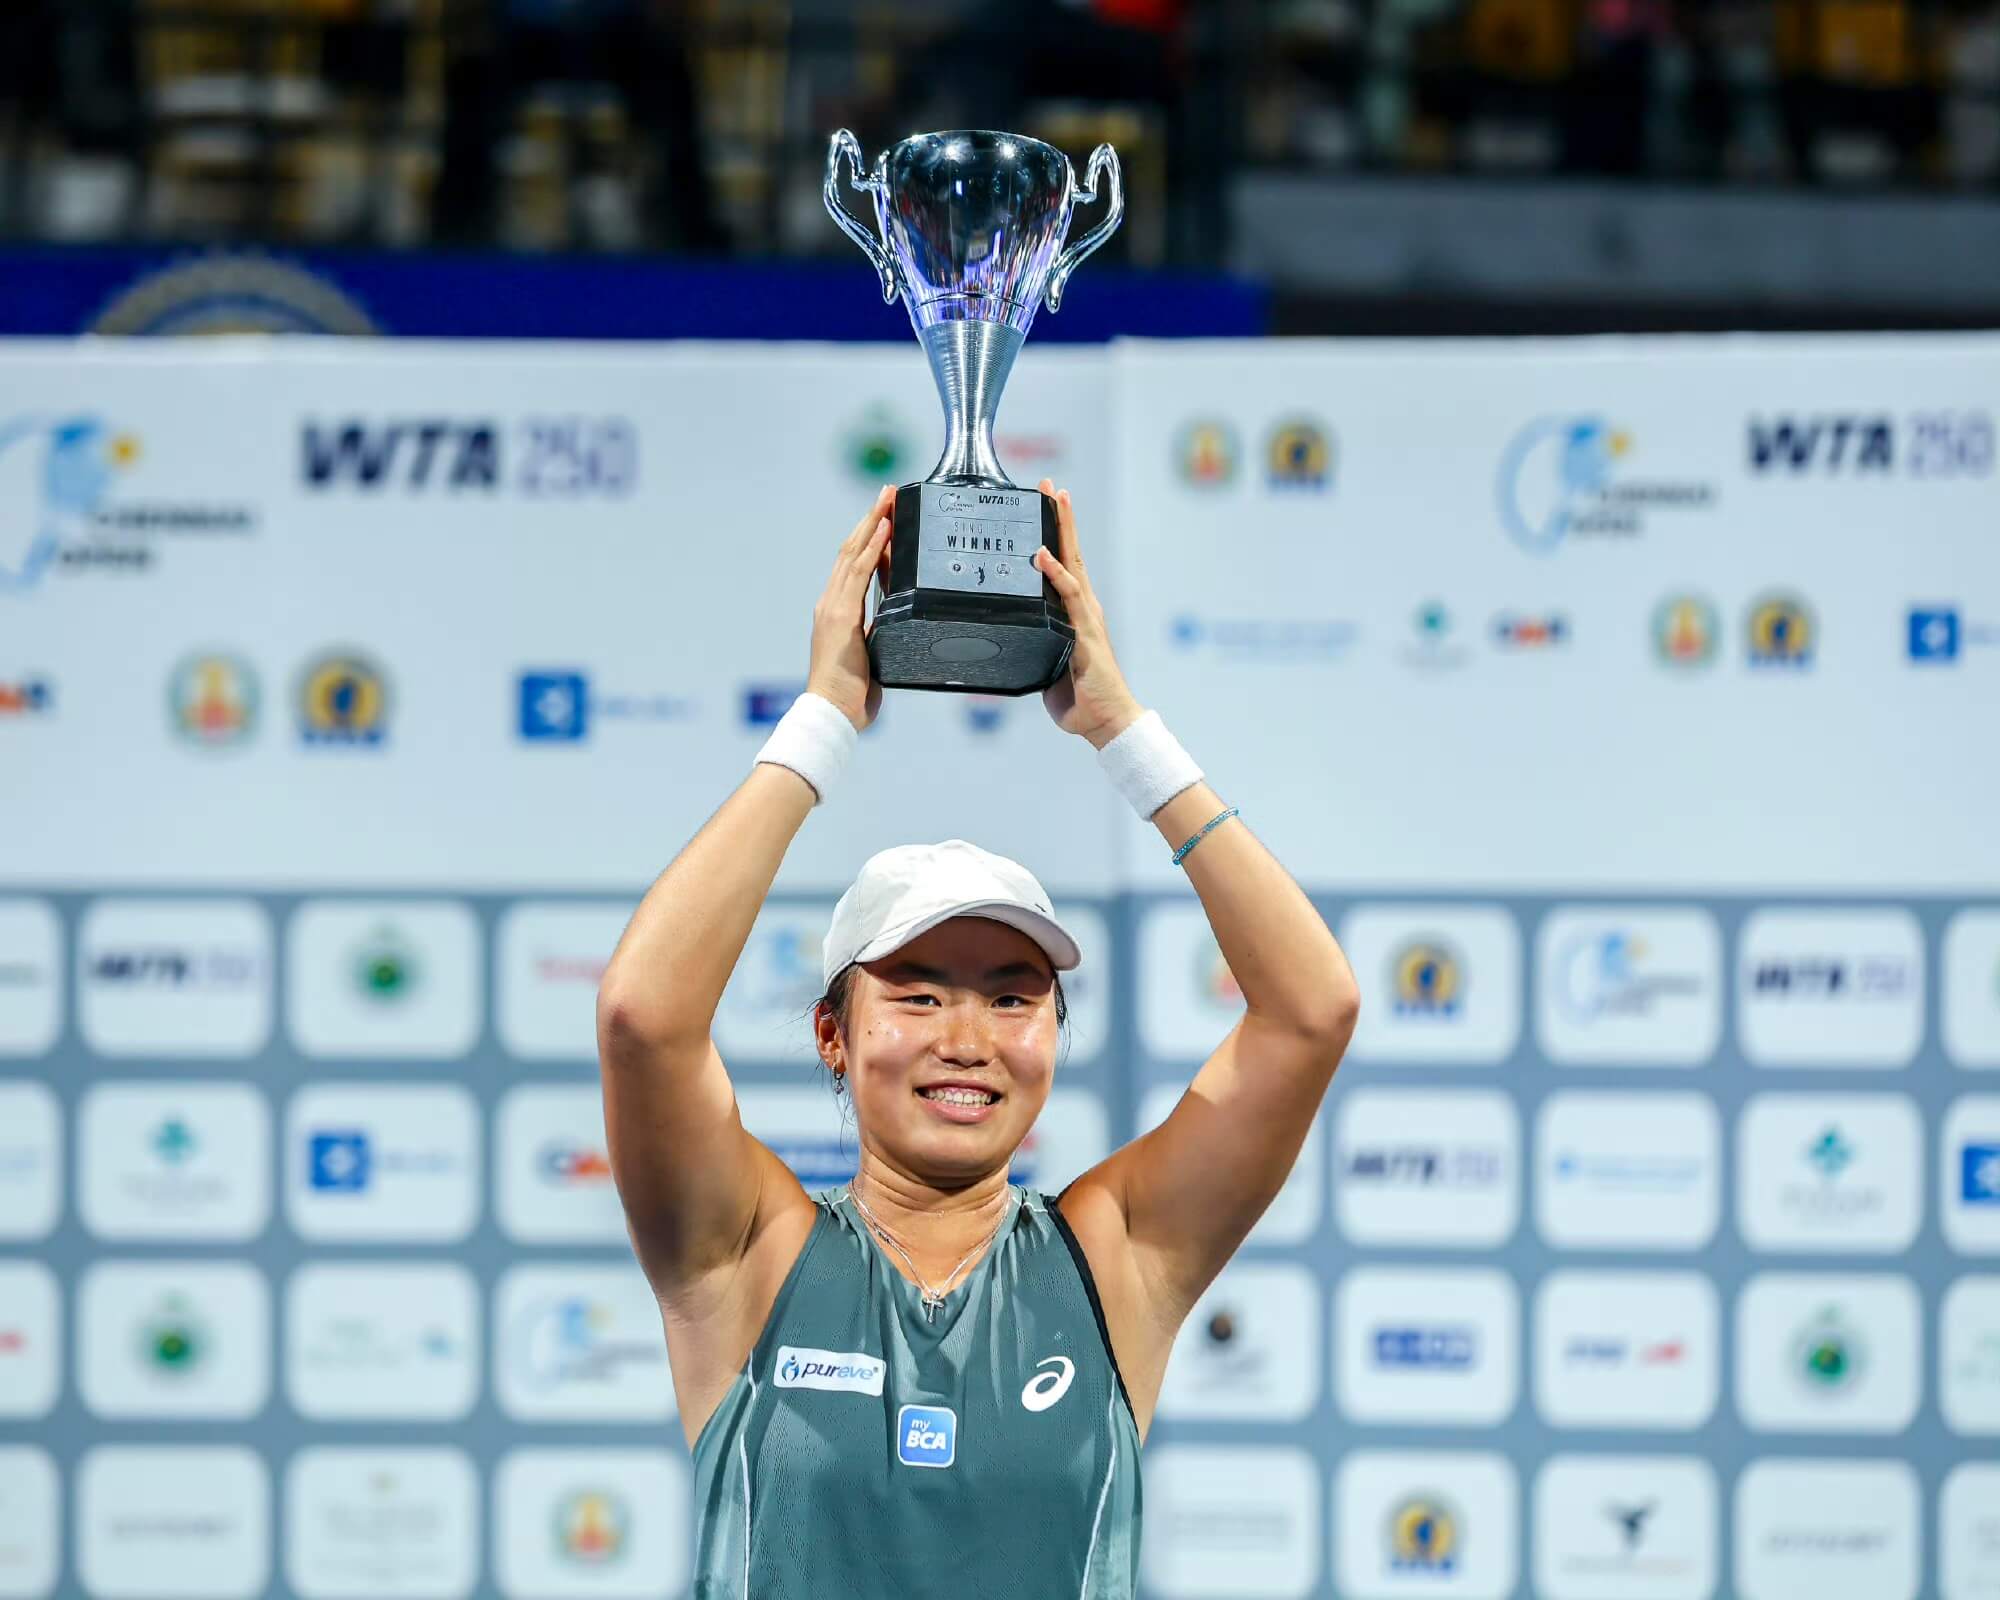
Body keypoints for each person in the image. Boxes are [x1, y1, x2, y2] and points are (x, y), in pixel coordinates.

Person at [596, 480, 1359, 1598]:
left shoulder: (1116, 1258)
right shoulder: (742, 1249)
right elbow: (643, 1018)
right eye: (914, 992)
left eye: (1011, 995)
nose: (968, 1037)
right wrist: (821, 724)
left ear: (1053, 1032)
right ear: (832, 1034)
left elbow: (1310, 1013)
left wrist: (1120, 732)